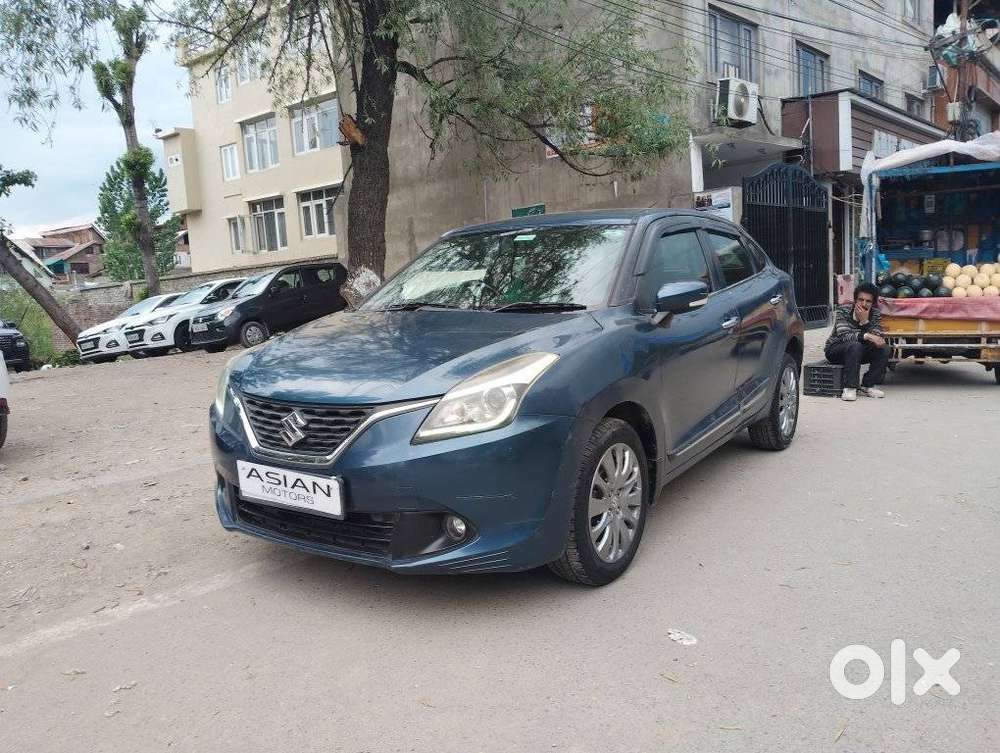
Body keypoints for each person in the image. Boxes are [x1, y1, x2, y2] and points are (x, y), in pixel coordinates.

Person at [824, 282, 890, 401]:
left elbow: (877, 337)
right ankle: (850, 387)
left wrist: (865, 322)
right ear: (855, 300)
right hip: (836, 349)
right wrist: (867, 335)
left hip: (858, 351)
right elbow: (844, 335)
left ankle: (867, 385)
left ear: (872, 303)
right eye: (861, 300)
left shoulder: (875, 314)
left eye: (868, 301)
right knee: (855, 345)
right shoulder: (843, 310)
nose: (864, 304)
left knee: (883, 348)